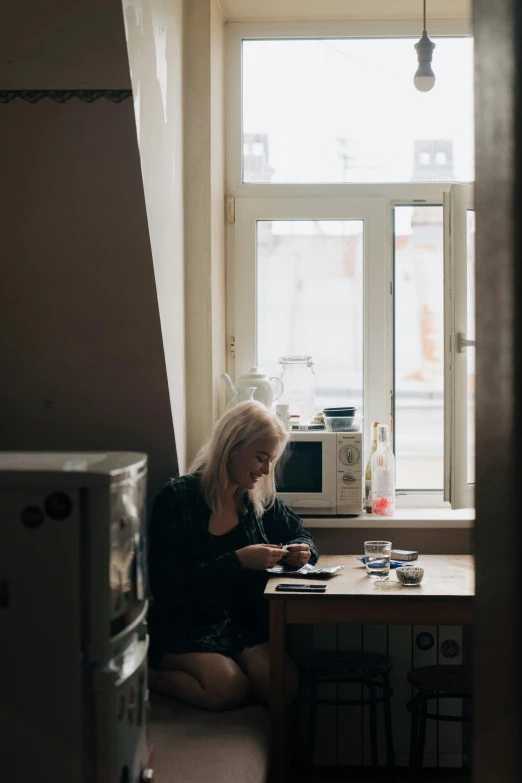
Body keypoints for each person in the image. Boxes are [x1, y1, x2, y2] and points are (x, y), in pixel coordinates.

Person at [147, 400, 319, 711]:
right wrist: (238, 560)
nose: (267, 470)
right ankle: (151, 677)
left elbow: (300, 533)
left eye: (271, 460)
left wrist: (303, 552)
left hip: (241, 627)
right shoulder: (178, 499)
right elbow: (167, 587)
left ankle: (234, 678)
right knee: (227, 687)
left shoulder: (257, 500)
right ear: (232, 447)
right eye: (261, 458)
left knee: (283, 683)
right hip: (186, 627)